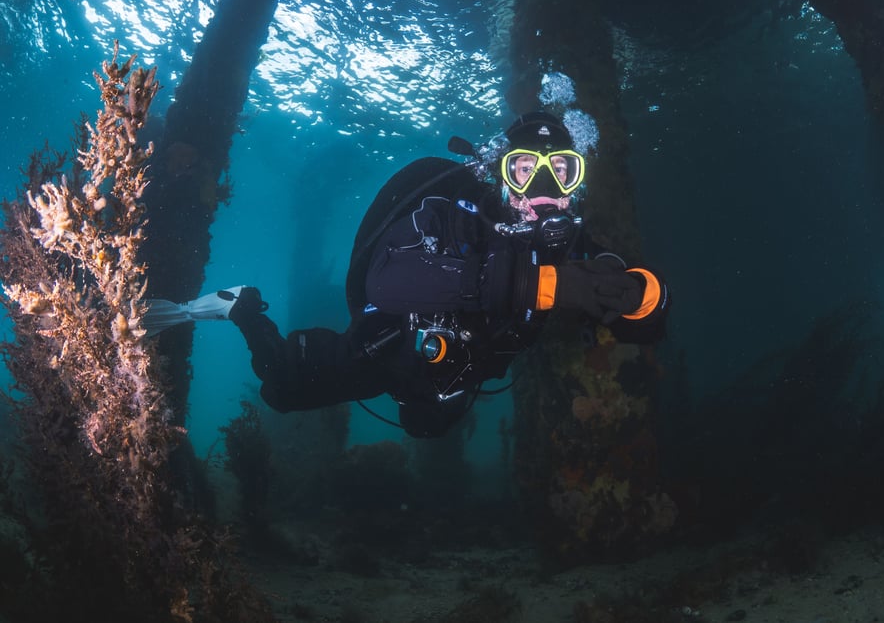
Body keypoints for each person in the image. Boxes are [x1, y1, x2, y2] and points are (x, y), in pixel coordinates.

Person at [214, 112, 670, 437]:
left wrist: (637, 294)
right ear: (502, 177)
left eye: (563, 170)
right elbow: (386, 281)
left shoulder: (574, 244)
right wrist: (545, 285)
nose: (545, 188)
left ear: (577, 182)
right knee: (282, 389)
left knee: (429, 426)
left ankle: (424, 405)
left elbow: (650, 325)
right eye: (526, 169)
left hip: (465, 372)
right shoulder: (451, 213)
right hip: (390, 350)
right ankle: (244, 308)